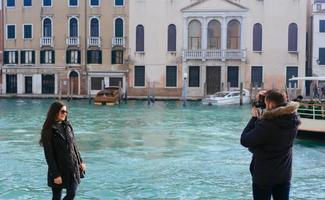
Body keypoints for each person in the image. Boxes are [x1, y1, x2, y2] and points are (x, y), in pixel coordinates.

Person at [241, 90, 301, 200]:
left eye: (266, 102)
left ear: (270, 104)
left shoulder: (267, 125)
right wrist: (269, 95)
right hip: (284, 174)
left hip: (264, 176)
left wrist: (254, 118)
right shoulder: (293, 119)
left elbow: (245, 140)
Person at [39, 101, 86, 200]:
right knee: (56, 197)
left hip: (72, 167)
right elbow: (49, 155)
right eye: (62, 111)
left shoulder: (67, 126)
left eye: (66, 112)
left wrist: (80, 161)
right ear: (55, 112)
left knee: (72, 193)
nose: (65, 114)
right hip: (58, 169)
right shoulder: (48, 130)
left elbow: (74, 146)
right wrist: (56, 174)